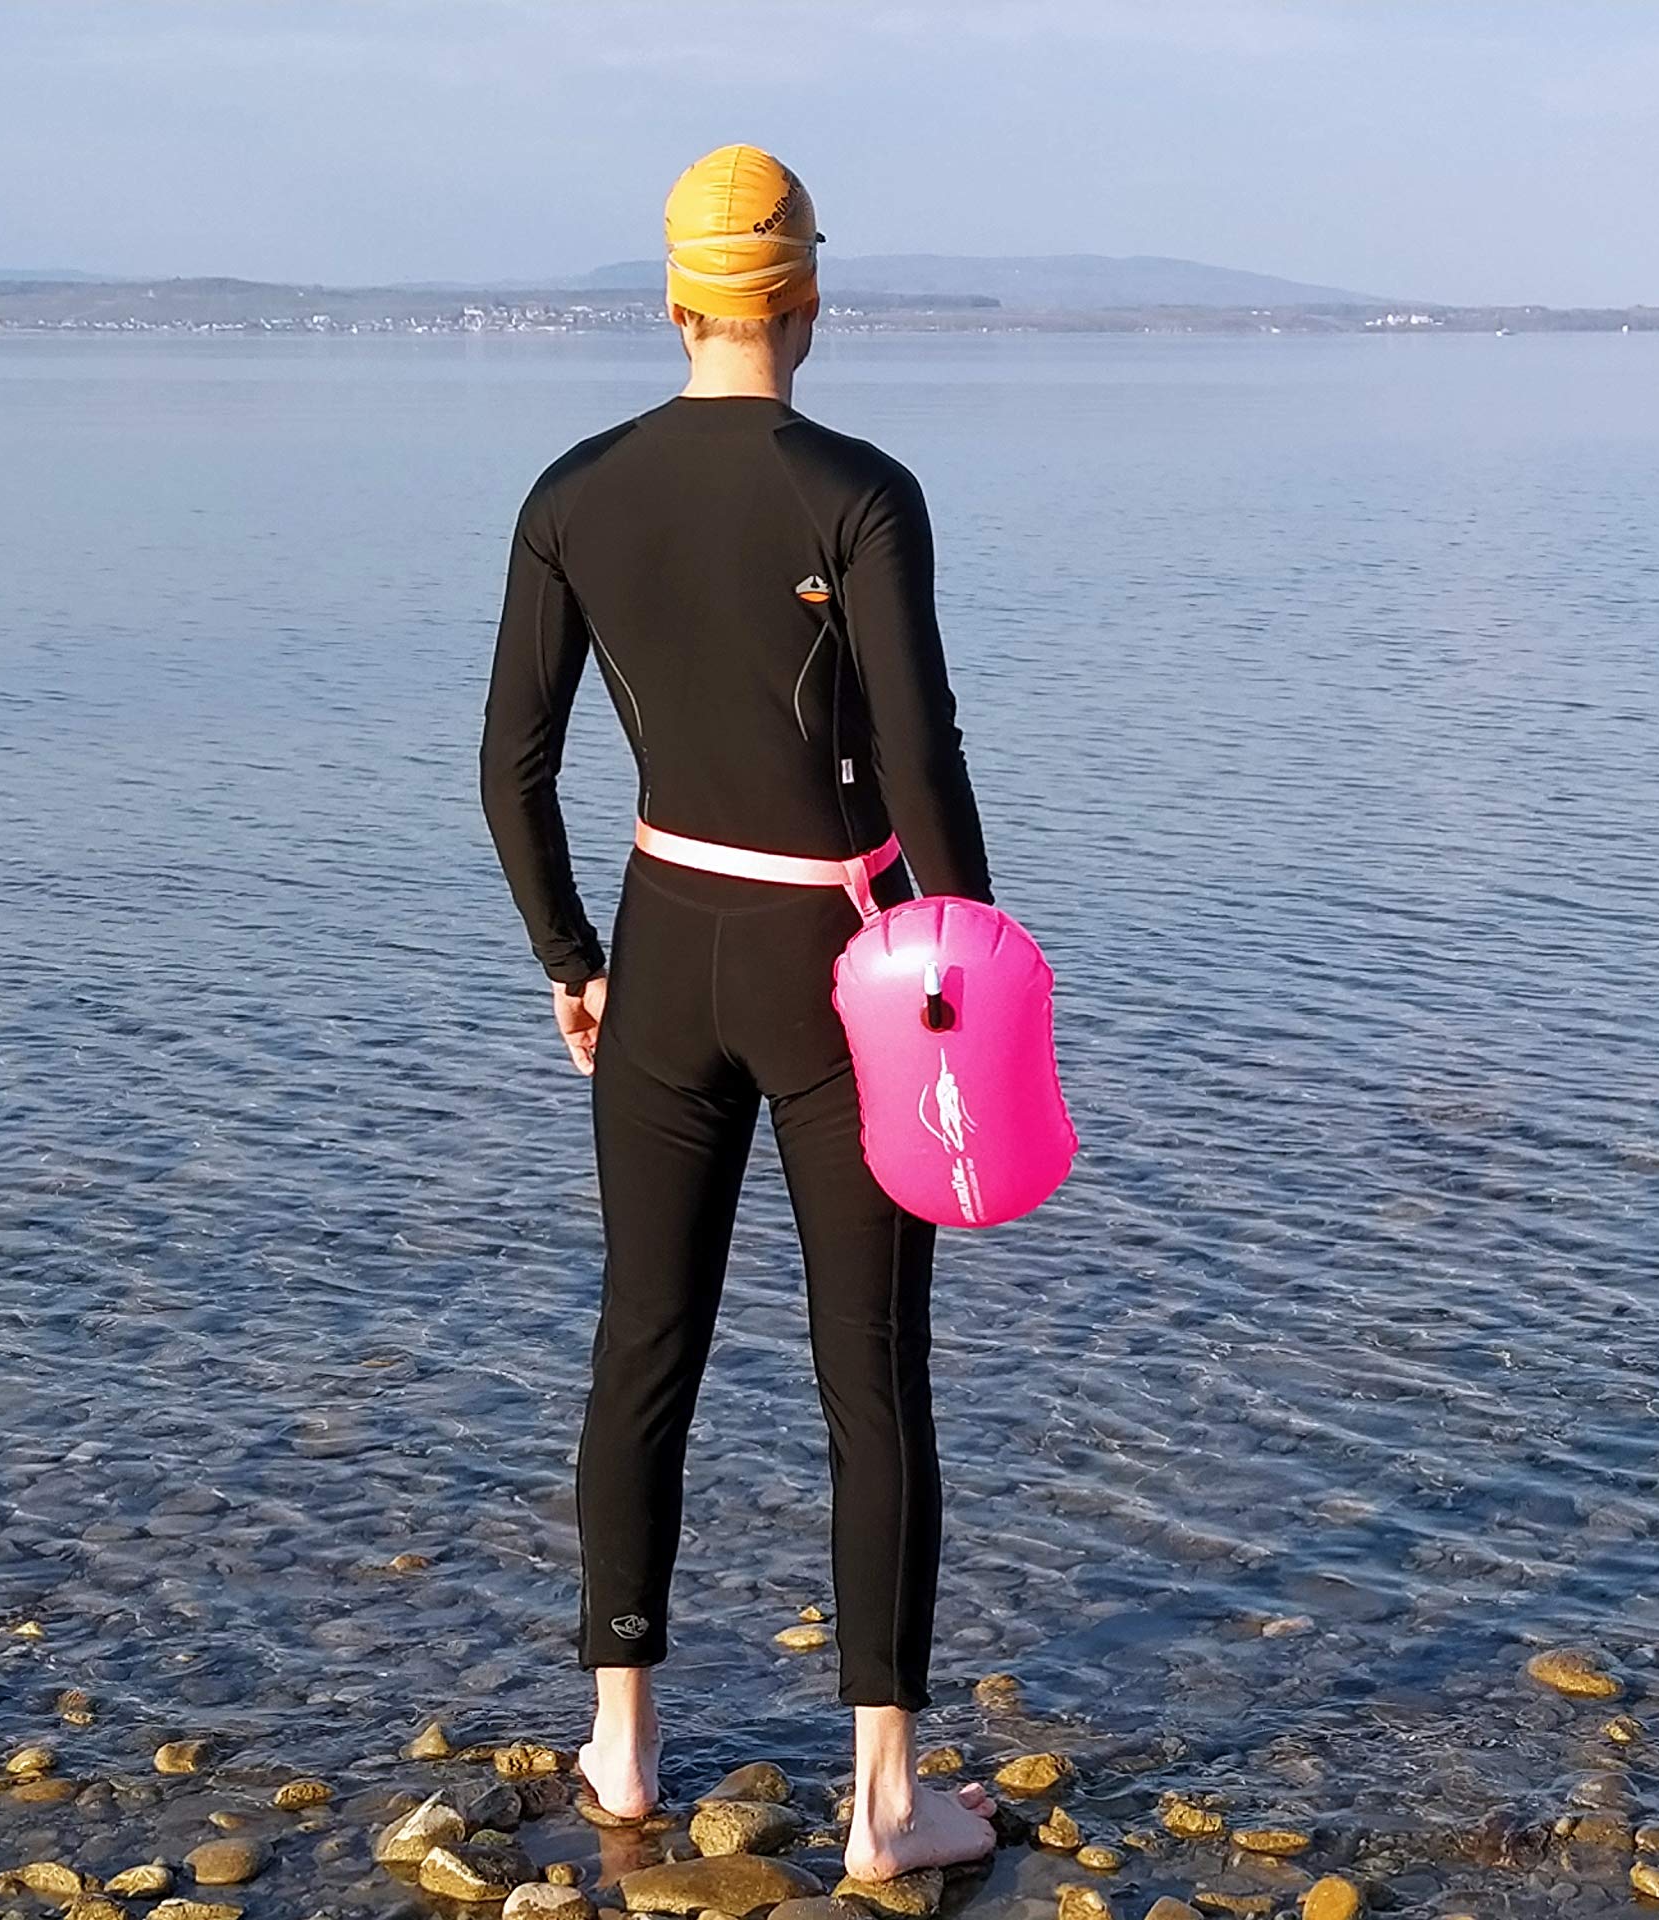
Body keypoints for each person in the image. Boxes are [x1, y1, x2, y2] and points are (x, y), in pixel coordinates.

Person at [479, 144, 998, 1879]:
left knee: (644, 1341)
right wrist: (963, 971)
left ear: (676, 296)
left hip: (658, 949)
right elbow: (917, 761)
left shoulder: (574, 490)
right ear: (810, 294)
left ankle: (621, 1746)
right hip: (839, 960)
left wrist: (573, 961)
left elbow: (512, 770)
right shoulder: (861, 492)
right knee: (872, 1373)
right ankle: (887, 1804)